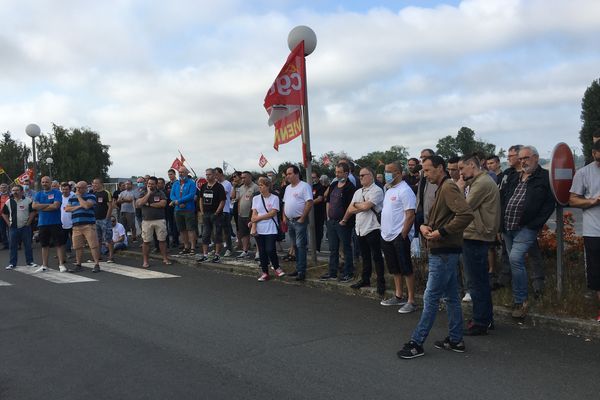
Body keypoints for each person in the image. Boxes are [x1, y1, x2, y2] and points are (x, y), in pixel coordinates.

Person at [398, 156, 473, 359]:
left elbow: (465, 215)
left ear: (440, 168)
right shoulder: (441, 187)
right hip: (442, 250)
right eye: (424, 170)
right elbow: (439, 217)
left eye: (428, 170)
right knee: (450, 297)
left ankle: (417, 342)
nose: (425, 173)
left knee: (431, 298)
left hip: (444, 251)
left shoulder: (448, 187)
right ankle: (456, 339)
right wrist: (424, 226)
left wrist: (442, 232)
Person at [501, 145, 555, 319]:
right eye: (521, 158)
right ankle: (520, 296)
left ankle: (520, 300)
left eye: (526, 158)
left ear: (536, 158)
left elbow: (548, 204)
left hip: (526, 228)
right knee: (514, 261)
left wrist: (534, 225)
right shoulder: (515, 177)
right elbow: (504, 198)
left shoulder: (545, 177)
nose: (523, 161)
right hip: (508, 226)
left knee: (515, 259)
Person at [458, 154, 500, 335]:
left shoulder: (482, 183)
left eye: (461, 169)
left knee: (476, 281)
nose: (460, 173)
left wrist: (459, 189)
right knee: (479, 280)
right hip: (475, 234)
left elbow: (464, 208)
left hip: (476, 235)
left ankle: (480, 322)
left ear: (471, 166)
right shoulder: (477, 182)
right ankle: (485, 318)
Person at [379, 161, 418, 313]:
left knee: (406, 268)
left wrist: (403, 234)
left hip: (399, 236)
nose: (387, 174)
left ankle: (411, 300)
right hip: (386, 235)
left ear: (399, 173)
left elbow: (410, 215)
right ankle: (398, 295)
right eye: (385, 171)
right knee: (394, 268)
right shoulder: (389, 190)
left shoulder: (405, 190)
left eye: (390, 171)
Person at [341, 167, 386, 294]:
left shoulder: (377, 190)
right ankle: (365, 279)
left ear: (371, 176)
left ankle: (380, 282)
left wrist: (357, 205)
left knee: (377, 256)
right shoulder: (358, 192)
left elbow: (367, 206)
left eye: (363, 175)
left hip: (373, 227)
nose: (360, 178)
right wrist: (359, 206)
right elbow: (350, 209)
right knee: (365, 256)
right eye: (359, 176)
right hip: (360, 228)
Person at [569, 140, 600, 322]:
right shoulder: (584, 173)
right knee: (597, 273)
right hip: (594, 231)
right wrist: (593, 201)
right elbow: (573, 200)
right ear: (594, 153)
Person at [321, 162, 356, 282]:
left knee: (346, 248)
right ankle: (332, 272)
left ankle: (348, 272)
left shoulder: (350, 187)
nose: (337, 174)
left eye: (339, 172)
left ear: (346, 173)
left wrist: (344, 220)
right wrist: (328, 217)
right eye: (336, 172)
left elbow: (351, 206)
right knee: (333, 248)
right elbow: (328, 201)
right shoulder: (334, 184)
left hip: (344, 223)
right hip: (332, 222)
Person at [251, 177, 286, 281]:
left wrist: (259, 218)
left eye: (261, 185)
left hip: (271, 228)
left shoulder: (274, 198)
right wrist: (253, 227)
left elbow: (273, 213)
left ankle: (276, 267)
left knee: (270, 249)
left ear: (267, 186)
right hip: (259, 228)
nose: (259, 187)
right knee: (262, 251)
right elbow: (254, 214)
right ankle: (265, 272)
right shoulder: (256, 198)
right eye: (259, 185)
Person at [282, 165, 313, 281]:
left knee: (301, 246)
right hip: (290, 221)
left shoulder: (304, 186)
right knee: (294, 245)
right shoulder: (288, 188)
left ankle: (301, 271)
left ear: (296, 174)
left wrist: (302, 218)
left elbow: (309, 203)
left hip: (299, 220)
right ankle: (298, 268)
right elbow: (285, 203)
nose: (287, 176)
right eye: (287, 174)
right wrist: (284, 216)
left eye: (290, 174)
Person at [65, 181, 101, 273]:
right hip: (76, 225)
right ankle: (78, 264)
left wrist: (79, 197)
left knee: (93, 245)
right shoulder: (72, 198)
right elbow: (67, 209)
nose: (77, 189)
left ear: (85, 188)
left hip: (88, 225)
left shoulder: (91, 196)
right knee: (77, 246)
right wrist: (78, 207)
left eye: (80, 188)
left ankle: (97, 264)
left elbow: (86, 205)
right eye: (77, 187)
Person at [32, 176, 66, 272]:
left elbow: (56, 206)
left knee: (59, 244)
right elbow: (34, 206)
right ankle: (44, 265)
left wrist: (41, 207)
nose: (44, 183)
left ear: (50, 183)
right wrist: (48, 205)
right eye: (43, 182)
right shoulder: (38, 194)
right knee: (44, 245)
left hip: (55, 222)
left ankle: (61, 264)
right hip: (42, 223)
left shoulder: (57, 193)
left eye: (46, 182)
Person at [136, 176, 171, 267]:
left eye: (152, 184)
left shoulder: (160, 192)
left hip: (160, 220)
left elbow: (163, 204)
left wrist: (149, 204)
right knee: (146, 241)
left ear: (156, 184)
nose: (150, 185)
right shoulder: (143, 192)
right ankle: (145, 261)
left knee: (162, 240)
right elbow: (139, 203)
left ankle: (165, 258)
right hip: (147, 221)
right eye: (149, 184)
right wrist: (148, 194)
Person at [3, 185, 37, 269]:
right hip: (13, 228)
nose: (15, 192)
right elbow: (4, 213)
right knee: (12, 246)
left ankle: (30, 262)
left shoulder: (28, 200)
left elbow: (33, 211)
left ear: (22, 191)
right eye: (13, 190)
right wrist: (8, 223)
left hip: (25, 227)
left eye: (17, 190)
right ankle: (12, 263)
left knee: (28, 245)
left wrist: (29, 222)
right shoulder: (8, 202)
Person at [197, 168, 226, 263]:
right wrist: (202, 211)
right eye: (206, 175)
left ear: (214, 175)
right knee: (205, 235)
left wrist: (217, 212)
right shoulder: (204, 186)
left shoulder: (219, 187)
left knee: (217, 234)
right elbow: (201, 199)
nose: (207, 176)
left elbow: (222, 201)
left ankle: (217, 255)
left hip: (216, 214)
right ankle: (205, 254)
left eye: (209, 174)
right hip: (206, 214)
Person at [170, 166, 197, 255]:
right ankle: (186, 246)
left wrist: (179, 201)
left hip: (188, 209)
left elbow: (191, 195)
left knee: (190, 229)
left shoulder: (191, 183)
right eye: (179, 172)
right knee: (182, 229)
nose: (181, 174)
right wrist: (177, 202)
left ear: (187, 173)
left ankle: (193, 247)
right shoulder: (176, 184)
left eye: (183, 172)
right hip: (178, 209)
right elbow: (172, 195)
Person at [235, 171, 259, 258]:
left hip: (252, 215)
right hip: (241, 215)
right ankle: (245, 251)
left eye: (244, 177)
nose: (242, 179)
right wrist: (238, 212)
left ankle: (258, 253)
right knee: (244, 234)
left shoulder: (256, 187)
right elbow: (239, 200)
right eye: (242, 178)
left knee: (255, 233)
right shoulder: (241, 188)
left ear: (250, 177)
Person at [93, 178, 114, 262]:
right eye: (93, 183)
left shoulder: (106, 193)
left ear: (101, 184)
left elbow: (110, 206)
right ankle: (98, 256)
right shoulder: (93, 193)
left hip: (104, 219)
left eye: (96, 183)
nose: (94, 185)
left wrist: (107, 218)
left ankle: (111, 256)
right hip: (95, 219)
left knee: (108, 238)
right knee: (98, 239)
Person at [215, 167, 234, 257]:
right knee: (217, 231)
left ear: (221, 174)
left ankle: (229, 249)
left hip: (225, 210)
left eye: (217, 175)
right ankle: (218, 249)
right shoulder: (216, 184)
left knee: (226, 231)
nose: (215, 177)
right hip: (216, 210)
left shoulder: (227, 184)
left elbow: (220, 194)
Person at [311, 172, 327, 252]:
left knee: (318, 230)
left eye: (314, 177)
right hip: (311, 212)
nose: (312, 179)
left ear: (318, 178)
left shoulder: (321, 187)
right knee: (311, 230)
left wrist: (308, 203)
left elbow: (320, 198)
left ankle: (317, 247)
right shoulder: (310, 187)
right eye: (311, 178)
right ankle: (313, 247)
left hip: (319, 212)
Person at [165, 169, 180, 248]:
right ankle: (173, 240)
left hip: (176, 206)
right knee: (170, 224)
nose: (170, 176)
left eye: (171, 174)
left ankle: (176, 241)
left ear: (175, 174)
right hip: (168, 207)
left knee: (175, 224)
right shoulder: (167, 185)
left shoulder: (178, 183)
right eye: (169, 174)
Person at [60, 182, 74, 256]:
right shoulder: (59, 197)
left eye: (66, 189)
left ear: (70, 189)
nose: (65, 191)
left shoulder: (74, 196)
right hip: (62, 222)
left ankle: (74, 253)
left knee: (74, 239)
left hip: (73, 222)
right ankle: (63, 254)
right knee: (63, 239)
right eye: (63, 189)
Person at [0, 183, 10, 250]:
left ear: (7, 188)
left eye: (4, 187)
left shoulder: (11, 195)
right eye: (1, 187)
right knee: (2, 231)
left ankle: (14, 243)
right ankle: (5, 244)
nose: (3, 189)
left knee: (11, 230)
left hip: (10, 215)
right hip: (1, 216)